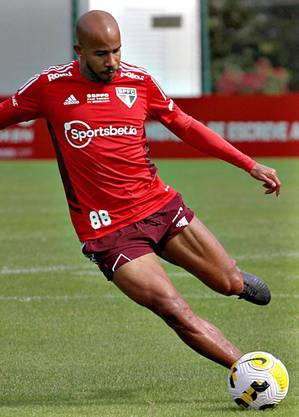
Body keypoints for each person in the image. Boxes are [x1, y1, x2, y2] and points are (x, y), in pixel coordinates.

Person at [0, 10, 281, 369]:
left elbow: (186, 125)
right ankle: (251, 373)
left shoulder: (140, 81)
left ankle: (236, 281)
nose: (113, 61)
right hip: (109, 232)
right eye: (102, 54)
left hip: (160, 207)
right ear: (79, 51)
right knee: (174, 310)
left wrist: (249, 164)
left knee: (225, 282)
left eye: (117, 51)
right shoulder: (48, 86)